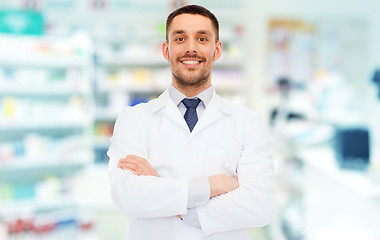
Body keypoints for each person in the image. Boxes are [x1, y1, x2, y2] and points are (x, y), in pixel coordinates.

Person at [107, 4, 275, 240]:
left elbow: (261, 206)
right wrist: (214, 185)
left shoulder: (248, 122)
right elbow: (126, 195)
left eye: (202, 39)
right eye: (180, 39)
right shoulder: (134, 119)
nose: (191, 48)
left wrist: (162, 191)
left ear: (217, 50)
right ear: (166, 50)